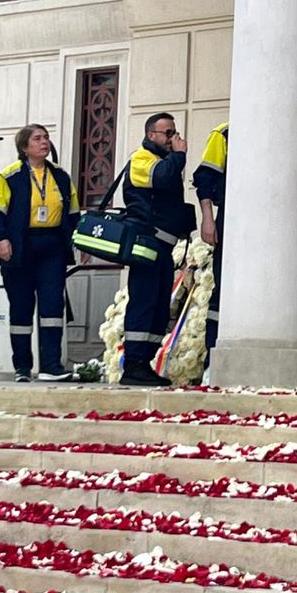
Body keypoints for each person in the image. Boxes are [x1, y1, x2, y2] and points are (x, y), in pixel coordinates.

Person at [0, 124, 80, 383]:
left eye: (46, 137)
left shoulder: (61, 176)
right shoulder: (10, 176)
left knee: (52, 306)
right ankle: (22, 367)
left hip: (52, 247)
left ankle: (51, 365)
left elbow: (73, 214)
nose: (44, 142)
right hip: (20, 247)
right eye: (37, 139)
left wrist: (78, 244)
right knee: (21, 308)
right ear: (24, 147)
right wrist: (1, 239)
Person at [119, 112, 194, 387]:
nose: (174, 138)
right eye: (168, 133)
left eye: (175, 132)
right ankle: (134, 364)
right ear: (152, 135)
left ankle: (145, 362)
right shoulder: (142, 159)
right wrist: (179, 155)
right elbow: (161, 179)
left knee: (159, 304)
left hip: (162, 245)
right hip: (145, 243)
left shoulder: (164, 160)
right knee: (144, 300)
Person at [192, 122, 228, 356]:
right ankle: (212, 357)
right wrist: (208, 218)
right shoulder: (225, 133)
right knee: (223, 284)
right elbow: (204, 179)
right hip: (231, 217)